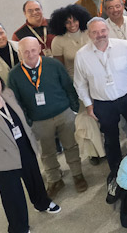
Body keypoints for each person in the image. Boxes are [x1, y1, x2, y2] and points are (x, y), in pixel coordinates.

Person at [0, 71, 61, 233]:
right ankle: (18, 226)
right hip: (1, 157)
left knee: (34, 178)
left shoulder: (8, 93)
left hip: (24, 146)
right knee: (12, 192)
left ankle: (42, 203)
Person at [72, 18, 127, 202]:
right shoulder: (82, 55)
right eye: (95, 32)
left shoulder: (123, 46)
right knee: (111, 140)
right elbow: (79, 84)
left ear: (107, 30)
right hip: (103, 102)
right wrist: (88, 105)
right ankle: (117, 174)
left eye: (103, 31)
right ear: (89, 34)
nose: (100, 35)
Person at [6, 37, 86, 196]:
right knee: (46, 152)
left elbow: (68, 86)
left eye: (33, 50)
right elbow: (15, 101)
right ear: (19, 53)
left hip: (63, 113)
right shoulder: (14, 75)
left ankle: (78, 174)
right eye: (25, 52)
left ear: (40, 49)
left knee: (71, 145)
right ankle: (55, 179)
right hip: (38, 120)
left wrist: (74, 108)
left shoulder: (53, 65)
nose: (30, 54)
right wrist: (27, 121)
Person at [49, 4, 92, 77]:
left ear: (80, 20)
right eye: (68, 22)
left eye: (75, 21)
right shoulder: (57, 41)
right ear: (62, 24)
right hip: (73, 80)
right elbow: (60, 67)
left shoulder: (90, 33)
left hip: (94, 75)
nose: (72, 25)